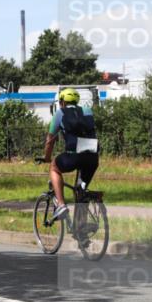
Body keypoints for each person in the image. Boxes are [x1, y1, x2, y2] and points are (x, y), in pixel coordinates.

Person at [41, 87, 99, 220]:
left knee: (54, 168)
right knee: (81, 192)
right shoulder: (88, 111)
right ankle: (82, 233)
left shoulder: (60, 113)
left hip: (74, 156)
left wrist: (47, 158)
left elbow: (50, 140)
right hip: (92, 157)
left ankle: (61, 205)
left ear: (62, 102)